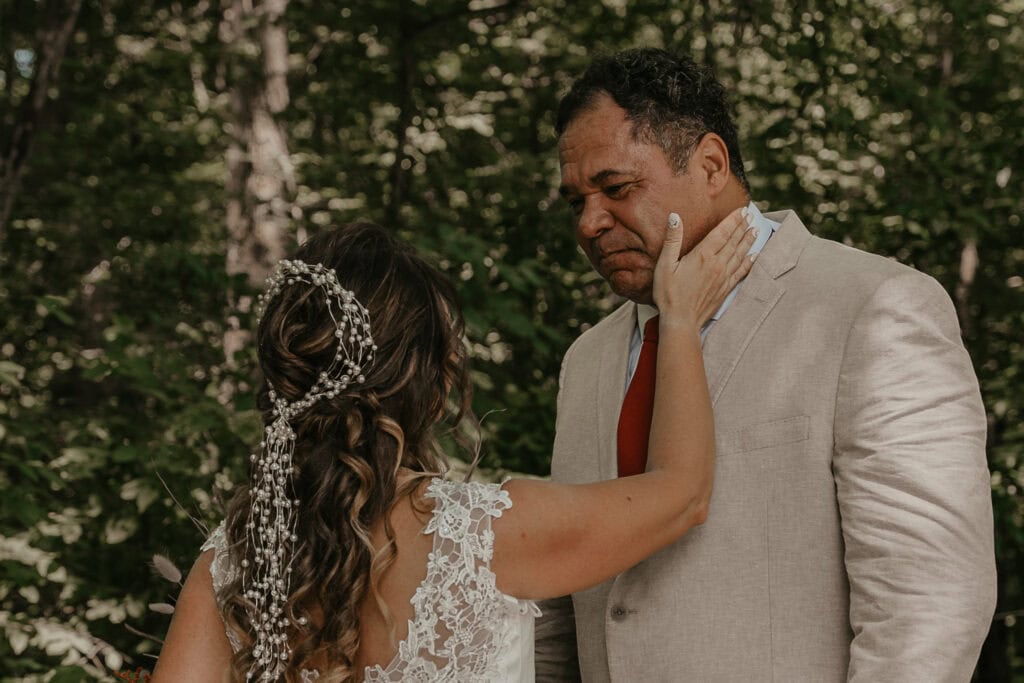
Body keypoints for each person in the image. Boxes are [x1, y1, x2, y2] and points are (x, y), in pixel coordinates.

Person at [534, 47, 997, 682]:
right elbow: (561, 613)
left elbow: (928, 607)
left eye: (616, 188)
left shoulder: (874, 308)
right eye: (575, 201)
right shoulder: (586, 361)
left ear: (710, 164)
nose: (589, 222)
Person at [151, 218, 755, 682]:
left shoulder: (234, 559)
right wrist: (679, 321)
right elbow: (682, 492)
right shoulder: (487, 537)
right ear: (430, 379)